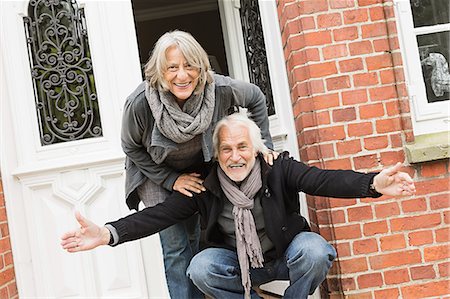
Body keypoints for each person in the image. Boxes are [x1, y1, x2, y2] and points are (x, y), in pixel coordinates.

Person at [61, 111, 416, 299]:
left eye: (242, 147)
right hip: (238, 266)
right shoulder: (206, 184)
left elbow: (322, 180)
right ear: (216, 153)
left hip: (285, 257)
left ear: (257, 148)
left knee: (315, 250)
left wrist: (373, 183)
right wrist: (108, 233)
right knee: (200, 267)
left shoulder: (278, 169)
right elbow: (160, 215)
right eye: (226, 149)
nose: (235, 156)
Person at [121, 30, 275, 298]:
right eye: (172, 68)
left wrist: (264, 147)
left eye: (189, 65)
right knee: (176, 245)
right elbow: (130, 146)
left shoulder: (220, 89)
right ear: (160, 71)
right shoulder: (141, 104)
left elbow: (256, 98)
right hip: (155, 173)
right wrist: (170, 180)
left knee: (198, 236)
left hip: (198, 167)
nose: (182, 76)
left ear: (201, 66)